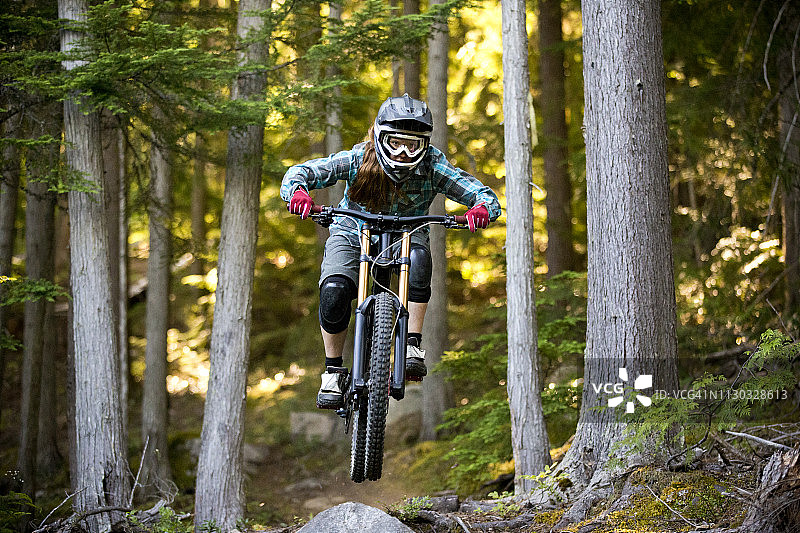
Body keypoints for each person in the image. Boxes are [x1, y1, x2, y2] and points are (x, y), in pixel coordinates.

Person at [281, 94, 501, 409]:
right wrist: (298, 194)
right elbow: (301, 173)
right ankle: (332, 371)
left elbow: (482, 194)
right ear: (380, 137)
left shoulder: (433, 165)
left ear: (424, 144)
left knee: (421, 259)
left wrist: (480, 209)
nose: (403, 152)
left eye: (412, 145)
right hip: (353, 230)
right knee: (334, 289)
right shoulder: (358, 158)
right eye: (396, 143)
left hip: (408, 233)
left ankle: (412, 345)